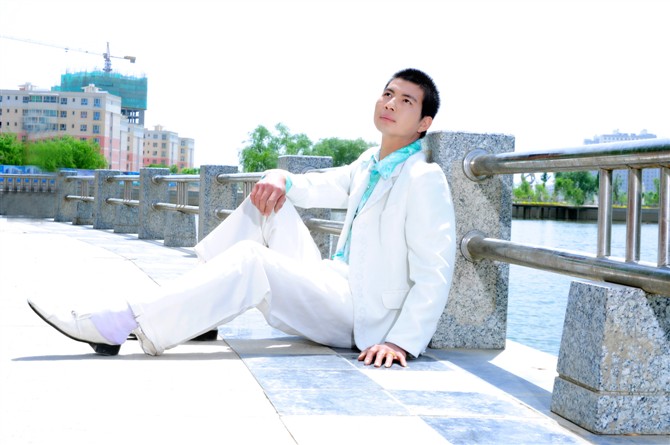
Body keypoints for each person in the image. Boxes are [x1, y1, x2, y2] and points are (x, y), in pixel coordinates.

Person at [28, 68, 456, 368]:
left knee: (253, 261)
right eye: (387, 93)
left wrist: (400, 341)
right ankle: (201, 312)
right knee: (267, 201)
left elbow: (435, 272)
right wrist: (279, 177)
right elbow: (320, 185)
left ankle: (122, 323)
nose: (390, 103)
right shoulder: (368, 162)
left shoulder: (423, 178)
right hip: (333, 281)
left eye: (406, 101)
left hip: (361, 314)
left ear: (424, 122)